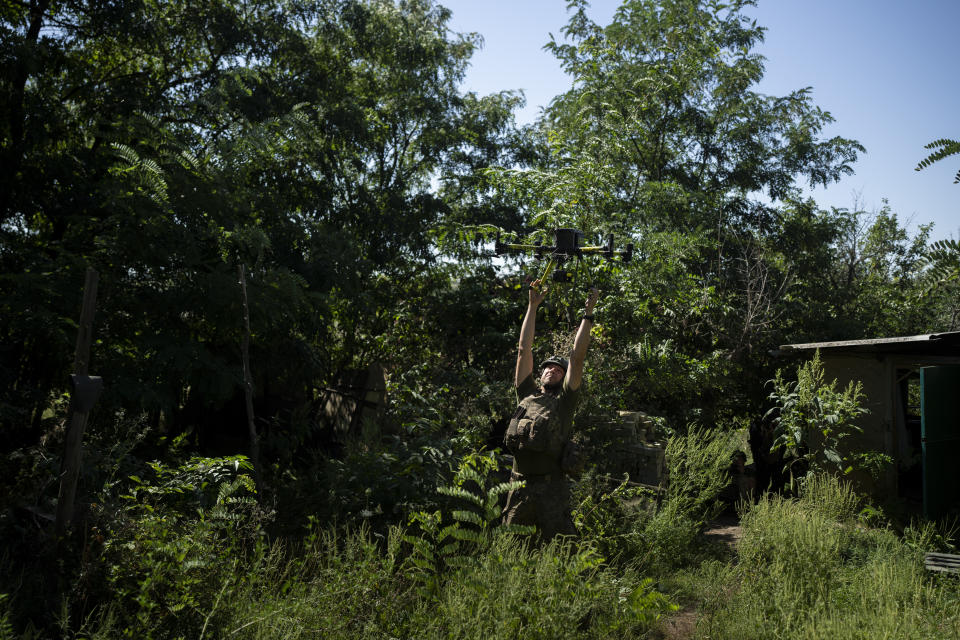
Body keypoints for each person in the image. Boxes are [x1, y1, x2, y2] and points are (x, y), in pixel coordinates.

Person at [501, 279, 600, 538]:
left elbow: (577, 358)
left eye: (558, 369)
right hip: (518, 486)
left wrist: (587, 315)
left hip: (551, 490)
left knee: (562, 548)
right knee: (511, 547)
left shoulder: (565, 401)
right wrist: (532, 306)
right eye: (547, 367)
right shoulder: (526, 393)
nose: (551, 370)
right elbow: (524, 350)